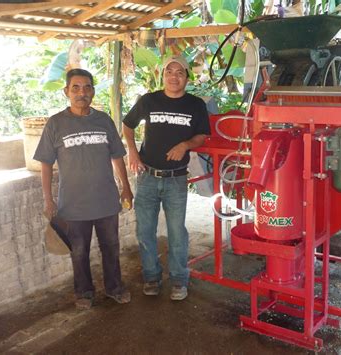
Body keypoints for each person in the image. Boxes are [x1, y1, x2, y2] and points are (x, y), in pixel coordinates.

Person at [34, 68, 133, 310]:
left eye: (87, 87)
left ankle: (114, 288)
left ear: (93, 91)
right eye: (76, 88)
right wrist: (48, 200)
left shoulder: (104, 120)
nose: (82, 92)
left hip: (106, 201)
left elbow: (118, 156)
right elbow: (45, 164)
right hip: (73, 205)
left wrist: (126, 188)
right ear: (66, 91)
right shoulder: (55, 124)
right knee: (79, 253)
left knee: (111, 248)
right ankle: (84, 293)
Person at [122, 55, 210, 301]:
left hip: (176, 180)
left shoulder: (195, 105)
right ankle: (151, 276)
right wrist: (132, 151)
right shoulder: (149, 100)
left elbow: (202, 135)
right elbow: (127, 125)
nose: (174, 76)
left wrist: (186, 144)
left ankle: (179, 280)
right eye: (169, 72)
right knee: (145, 231)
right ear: (163, 76)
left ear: (186, 77)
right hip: (147, 176)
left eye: (179, 72)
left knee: (177, 233)